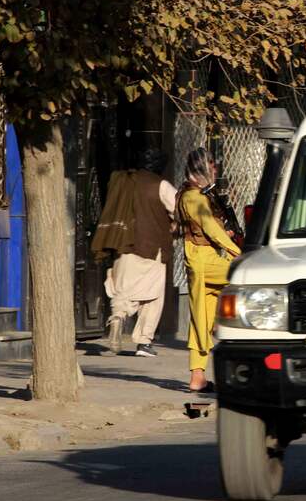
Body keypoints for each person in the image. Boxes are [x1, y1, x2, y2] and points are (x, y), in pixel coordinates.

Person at [97, 149, 177, 357]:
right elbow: (180, 210)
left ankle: (117, 318)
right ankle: (144, 341)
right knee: (153, 295)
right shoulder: (161, 185)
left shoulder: (123, 181)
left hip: (123, 243)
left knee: (123, 290)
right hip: (152, 246)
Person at [177, 147, 241, 392]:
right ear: (202, 167)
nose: (215, 170)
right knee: (244, 275)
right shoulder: (194, 196)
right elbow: (210, 229)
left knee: (199, 318)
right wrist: (238, 251)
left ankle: (197, 377)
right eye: (211, 165)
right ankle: (220, 324)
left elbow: (211, 229)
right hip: (205, 260)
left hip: (201, 259)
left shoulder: (192, 194)